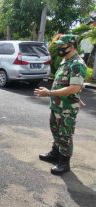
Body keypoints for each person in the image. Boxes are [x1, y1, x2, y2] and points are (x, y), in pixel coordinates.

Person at [34, 34, 87, 175]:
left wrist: (49, 93)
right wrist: (77, 96)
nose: (59, 48)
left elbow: (74, 87)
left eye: (62, 46)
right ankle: (55, 154)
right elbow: (70, 85)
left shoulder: (77, 63)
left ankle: (64, 163)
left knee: (65, 135)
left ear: (72, 46)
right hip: (58, 105)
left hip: (67, 108)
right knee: (55, 130)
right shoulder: (66, 61)